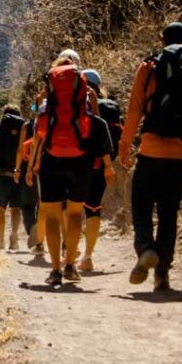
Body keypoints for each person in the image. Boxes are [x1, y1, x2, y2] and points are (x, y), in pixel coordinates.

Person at [119, 22, 182, 292]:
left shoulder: (149, 68)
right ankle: (162, 275)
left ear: (162, 40)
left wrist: (125, 145)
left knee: (142, 201)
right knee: (169, 211)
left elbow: (135, 110)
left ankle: (146, 247)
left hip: (151, 149)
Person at [27, 56, 112, 286]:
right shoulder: (84, 103)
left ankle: (55, 269)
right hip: (80, 161)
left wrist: (32, 164)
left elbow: (38, 135)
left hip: (51, 160)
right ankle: (70, 266)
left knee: (53, 215)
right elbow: (96, 125)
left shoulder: (46, 106)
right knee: (75, 214)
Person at [77, 69, 123, 272]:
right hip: (99, 167)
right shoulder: (111, 107)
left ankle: (68, 252)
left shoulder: (75, 105)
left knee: (72, 208)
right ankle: (88, 257)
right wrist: (108, 165)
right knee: (93, 211)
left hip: (76, 164)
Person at [0, 104, 26, 250]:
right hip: (17, 175)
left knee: (1, 208)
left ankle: (1, 241)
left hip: (0, 175)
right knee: (16, 209)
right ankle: (14, 236)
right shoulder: (24, 133)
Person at [15, 111, 43, 256]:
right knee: (44, 206)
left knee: (27, 204)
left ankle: (33, 231)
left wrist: (17, 169)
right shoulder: (57, 120)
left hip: (30, 168)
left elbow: (20, 149)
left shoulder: (28, 125)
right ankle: (44, 239)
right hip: (49, 167)